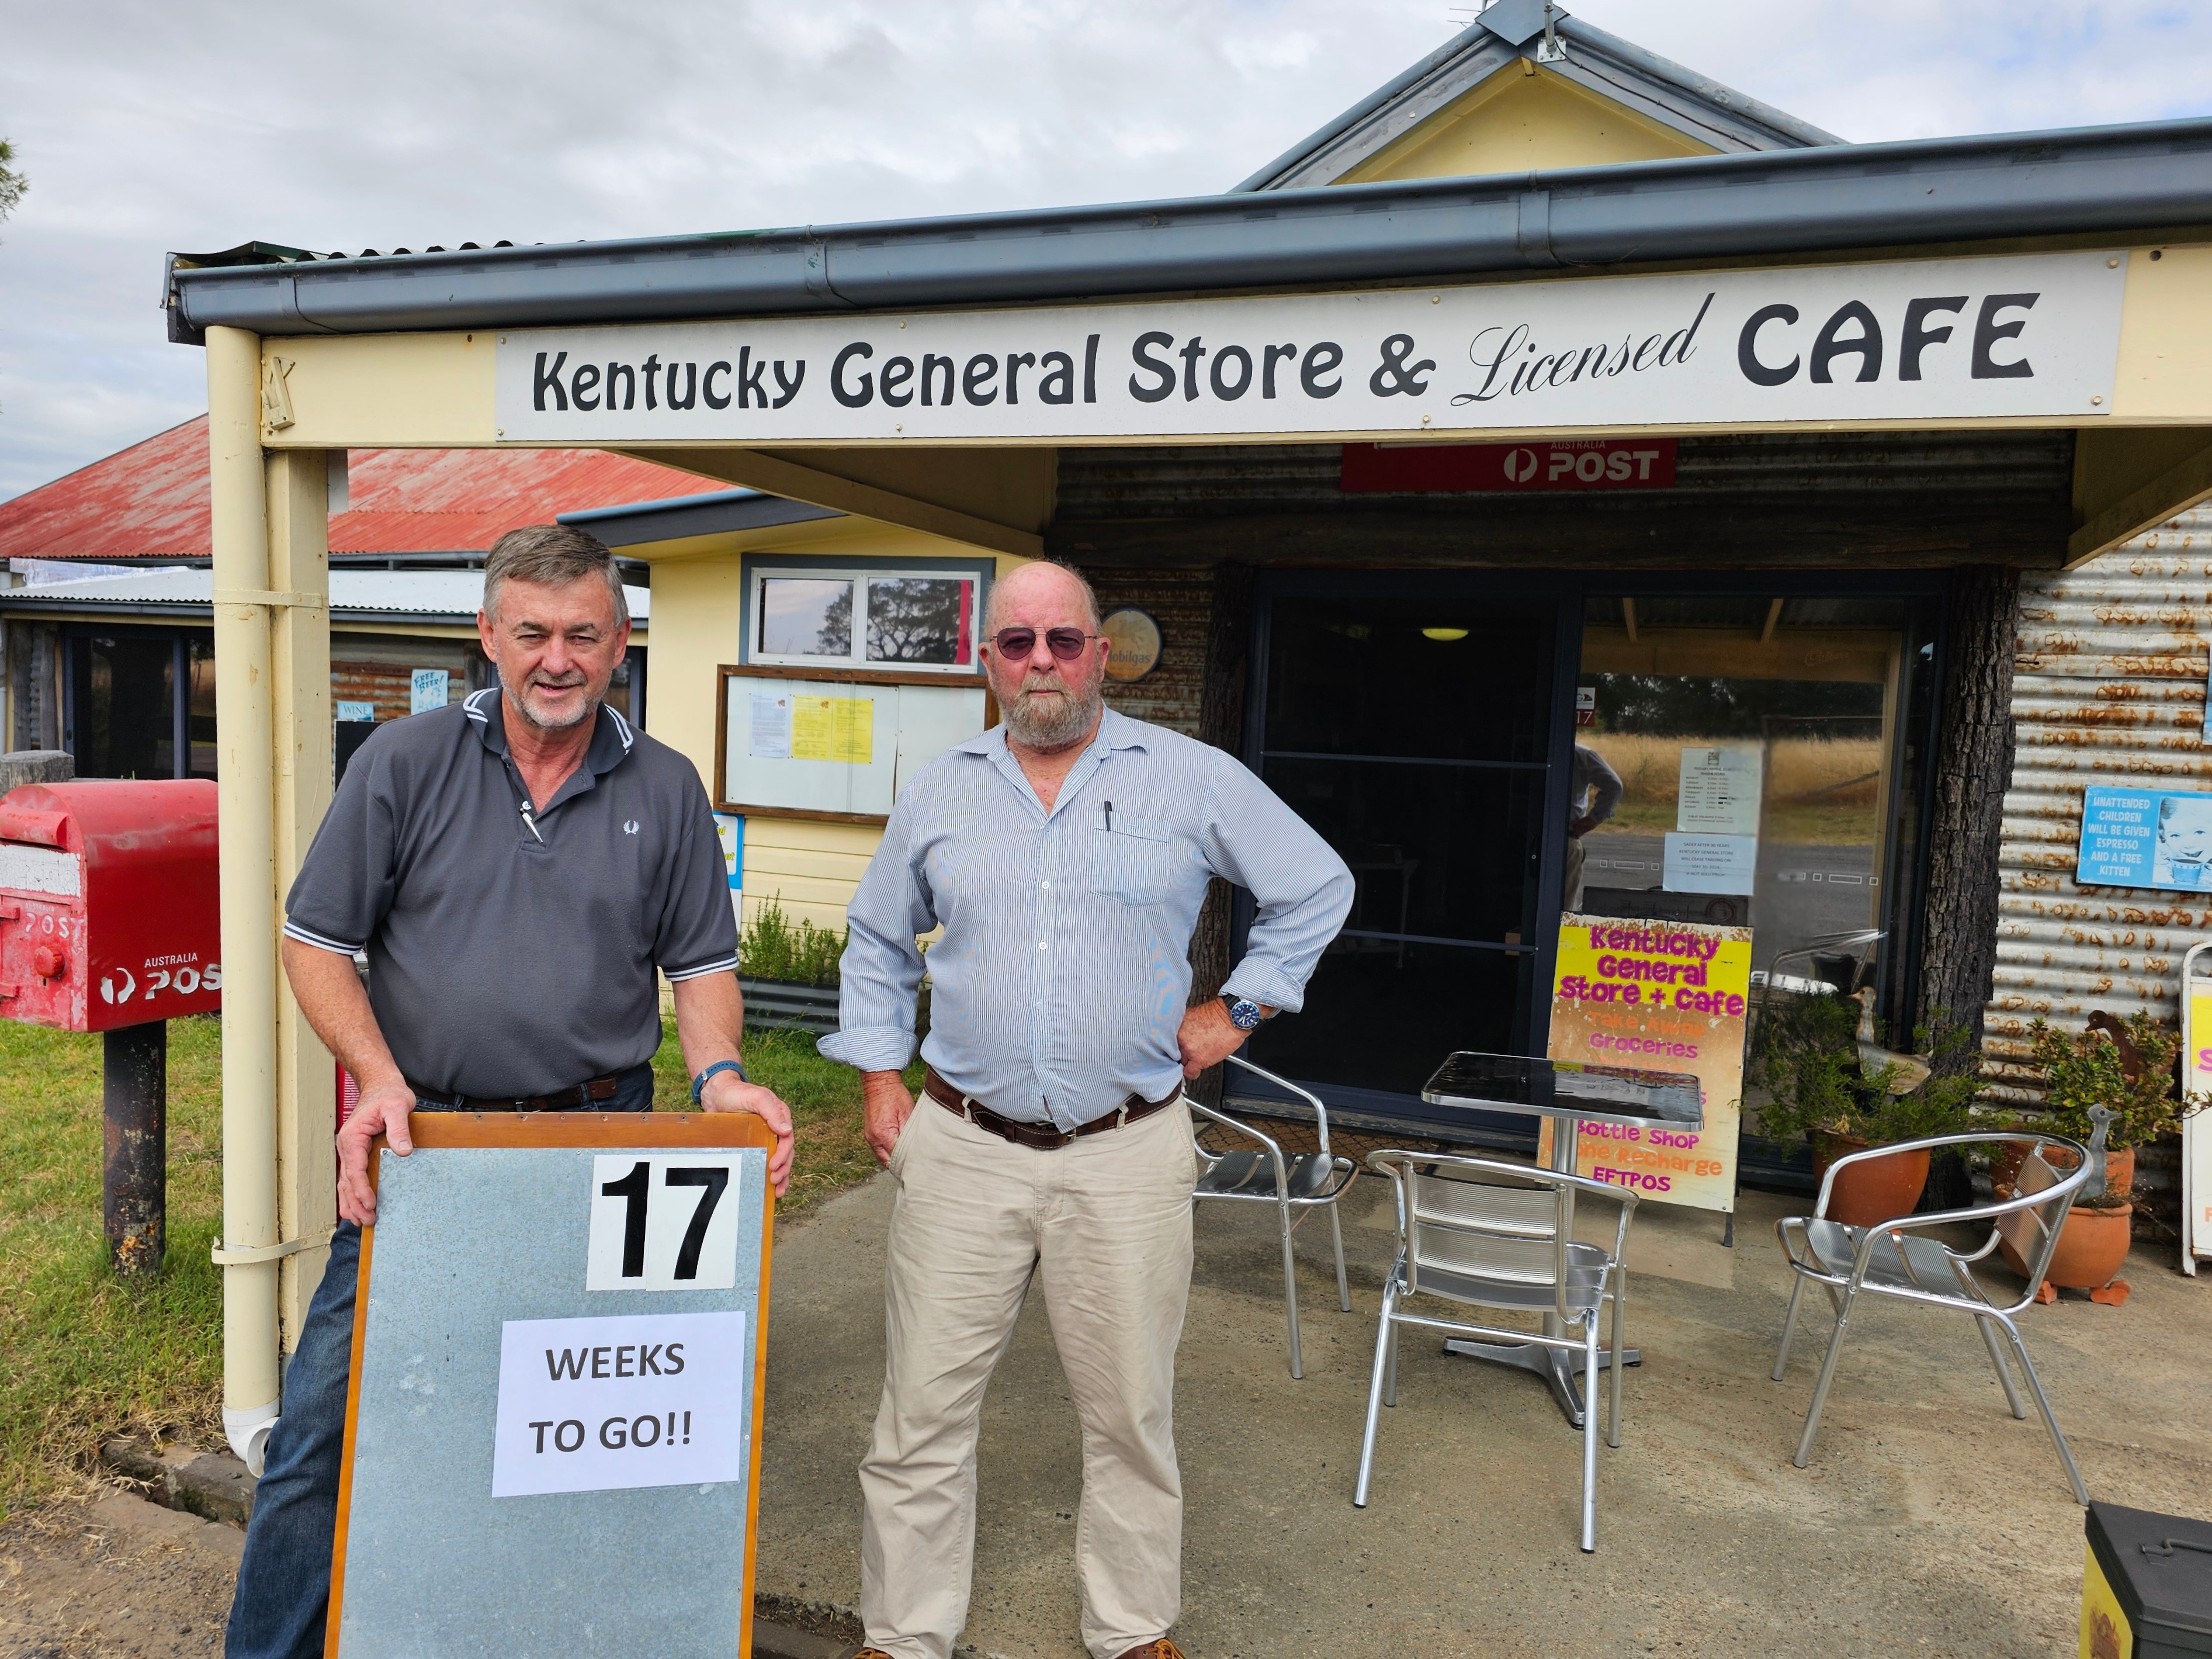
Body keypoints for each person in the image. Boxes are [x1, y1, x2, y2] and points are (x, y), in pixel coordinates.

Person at [224, 524, 795, 1659]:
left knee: (590, 1425)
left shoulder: (670, 788)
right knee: (327, 1434)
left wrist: (721, 1075)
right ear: (488, 635)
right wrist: (377, 1080)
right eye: (531, 632)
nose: (557, 658)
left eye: (584, 634)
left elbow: (702, 970)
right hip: (427, 1140)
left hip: (604, 1145)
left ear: (620, 643)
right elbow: (314, 941)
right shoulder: (405, 760)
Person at [819, 560, 1354, 1659]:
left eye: (1062, 640)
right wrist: (880, 1074)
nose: (1042, 663)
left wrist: (1238, 1008)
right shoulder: (943, 788)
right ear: (989, 662)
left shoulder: (1191, 776)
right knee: (918, 1413)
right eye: (1017, 643)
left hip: (1126, 1148)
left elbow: (1316, 885)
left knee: (1128, 1415)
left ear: (1101, 652)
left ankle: (1129, 1625)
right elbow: (877, 941)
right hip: (964, 1144)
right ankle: (904, 1631)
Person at [1565, 742, 1624, 910]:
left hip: (1532, 837)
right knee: (1564, 909)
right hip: (1567, 838)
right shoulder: (1579, 753)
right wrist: (1594, 819)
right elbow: (1614, 785)